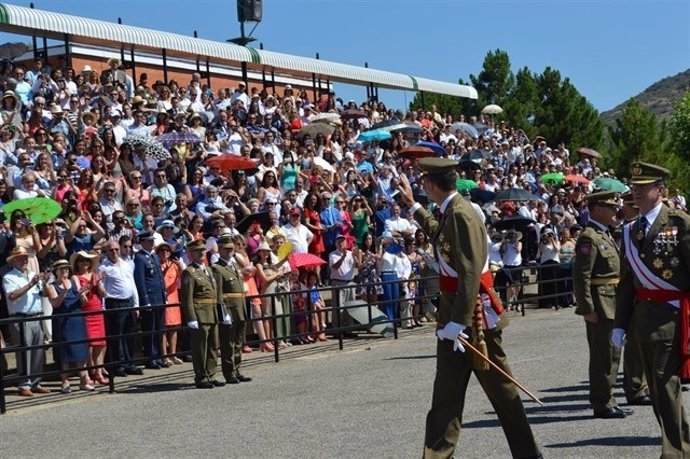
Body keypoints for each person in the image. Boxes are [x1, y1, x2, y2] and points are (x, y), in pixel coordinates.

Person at [398, 157, 540, 459]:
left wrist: (459, 322)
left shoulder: (462, 214)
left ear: (431, 184)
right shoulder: (451, 211)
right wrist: (413, 207)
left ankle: (529, 454)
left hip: (475, 318)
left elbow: (472, 271)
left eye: (424, 182)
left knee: (502, 392)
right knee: (445, 396)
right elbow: (442, 237)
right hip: (456, 316)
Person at [613, 162, 690, 457]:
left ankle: (672, 453)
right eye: (634, 187)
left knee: (664, 384)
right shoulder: (630, 230)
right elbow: (627, 282)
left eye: (644, 187)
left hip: (673, 317)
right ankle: (682, 446)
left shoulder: (679, 222)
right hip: (643, 320)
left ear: (661, 190)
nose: (637, 192)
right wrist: (621, 324)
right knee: (658, 393)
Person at [573, 191, 634, 419]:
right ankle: (601, 402)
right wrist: (587, 308)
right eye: (610, 208)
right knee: (602, 356)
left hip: (612, 300)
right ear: (597, 209)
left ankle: (609, 399)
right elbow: (582, 277)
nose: (615, 212)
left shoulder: (603, 234)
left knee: (613, 354)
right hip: (601, 304)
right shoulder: (589, 237)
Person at [2, 247, 50, 396]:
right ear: (14, 261)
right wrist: (30, 284)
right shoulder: (9, 277)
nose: (24, 260)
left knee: (38, 350)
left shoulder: (32, 274)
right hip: (20, 318)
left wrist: (46, 283)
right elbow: (12, 296)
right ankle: (24, 384)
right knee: (24, 351)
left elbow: (44, 294)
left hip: (37, 315)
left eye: (26, 257)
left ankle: (36, 382)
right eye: (21, 258)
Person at [180, 238, 224, 389]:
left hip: (212, 313)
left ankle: (211, 374)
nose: (201, 254)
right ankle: (201, 377)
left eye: (203, 251)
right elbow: (187, 298)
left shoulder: (209, 270)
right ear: (191, 254)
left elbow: (216, 293)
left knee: (213, 346)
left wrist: (221, 311)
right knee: (200, 347)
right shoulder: (189, 272)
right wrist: (191, 317)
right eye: (198, 251)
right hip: (200, 314)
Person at [45, 259, 94, 393]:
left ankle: (83, 380)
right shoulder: (52, 286)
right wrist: (63, 292)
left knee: (81, 349)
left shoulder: (74, 280)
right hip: (62, 321)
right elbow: (55, 304)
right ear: (56, 271)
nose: (64, 272)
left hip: (77, 318)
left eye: (66, 269)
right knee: (64, 352)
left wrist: (81, 294)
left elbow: (83, 302)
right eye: (61, 269)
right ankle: (64, 381)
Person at [97, 240, 142, 377]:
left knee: (129, 334)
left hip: (128, 301)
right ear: (107, 251)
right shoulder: (103, 267)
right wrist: (104, 307)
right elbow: (102, 288)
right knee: (117, 336)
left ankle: (129, 363)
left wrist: (136, 304)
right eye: (111, 250)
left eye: (117, 249)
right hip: (114, 303)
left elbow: (132, 283)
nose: (115, 252)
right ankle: (118, 365)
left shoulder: (127, 264)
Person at [212, 235, 251, 384]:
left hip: (240, 307)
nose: (229, 252)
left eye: (231, 249)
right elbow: (219, 294)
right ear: (220, 249)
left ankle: (237, 369)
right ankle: (229, 373)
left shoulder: (233, 265)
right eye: (226, 249)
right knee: (228, 343)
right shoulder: (217, 268)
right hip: (229, 308)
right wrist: (223, 313)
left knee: (238, 341)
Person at [71, 250, 108, 385]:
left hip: (97, 311)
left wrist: (99, 283)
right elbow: (82, 298)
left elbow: (104, 294)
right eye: (82, 260)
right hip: (85, 313)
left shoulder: (94, 275)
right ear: (77, 263)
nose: (85, 263)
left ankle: (98, 371)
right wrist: (91, 284)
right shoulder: (75, 277)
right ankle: (87, 373)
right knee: (87, 345)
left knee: (100, 344)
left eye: (87, 260)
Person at [134, 230, 167, 369]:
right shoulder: (140, 258)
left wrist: (164, 294)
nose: (152, 243)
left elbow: (160, 277)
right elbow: (141, 281)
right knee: (150, 329)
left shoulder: (154, 256)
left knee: (159, 329)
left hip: (158, 297)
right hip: (150, 298)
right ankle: (151, 357)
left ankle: (158, 355)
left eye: (152, 241)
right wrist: (144, 299)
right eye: (149, 241)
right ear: (142, 242)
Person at [157, 242, 183, 366]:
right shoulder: (157, 265)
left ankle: (173, 354)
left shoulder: (174, 265)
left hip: (174, 298)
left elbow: (183, 278)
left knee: (174, 327)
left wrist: (180, 266)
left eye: (167, 250)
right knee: (163, 329)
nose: (165, 252)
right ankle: (165, 356)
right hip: (163, 298)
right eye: (162, 250)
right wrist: (164, 269)